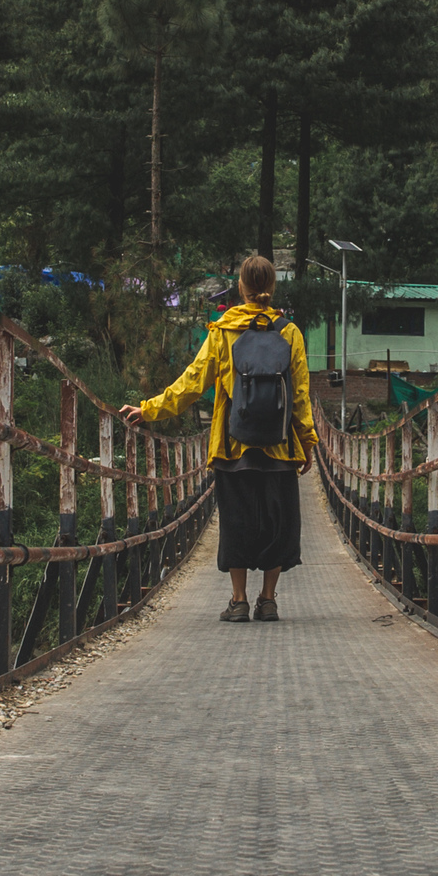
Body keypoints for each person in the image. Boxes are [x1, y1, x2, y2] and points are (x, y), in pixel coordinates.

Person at [120, 253, 317, 622]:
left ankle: (239, 601)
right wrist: (307, 442)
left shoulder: (223, 329)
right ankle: (269, 600)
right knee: (278, 524)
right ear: (271, 289)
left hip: (232, 445)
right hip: (280, 446)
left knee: (237, 523)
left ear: (240, 288)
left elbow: (193, 383)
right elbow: (301, 394)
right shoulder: (289, 332)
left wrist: (148, 409)